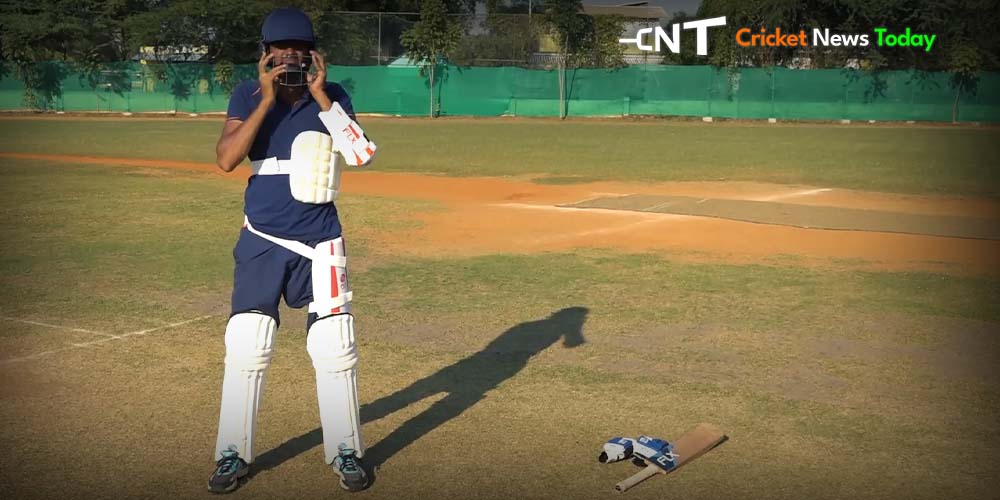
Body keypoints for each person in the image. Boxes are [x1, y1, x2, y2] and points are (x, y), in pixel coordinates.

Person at [207, 7, 370, 494]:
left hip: (321, 237)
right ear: (265, 52)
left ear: (313, 52)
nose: (290, 55)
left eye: (300, 47)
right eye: (280, 48)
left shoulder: (334, 96)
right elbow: (227, 159)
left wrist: (321, 95)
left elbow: (360, 154)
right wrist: (265, 99)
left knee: (335, 345)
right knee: (248, 341)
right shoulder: (247, 93)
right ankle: (231, 453)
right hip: (263, 235)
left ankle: (346, 451)